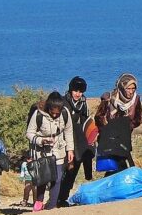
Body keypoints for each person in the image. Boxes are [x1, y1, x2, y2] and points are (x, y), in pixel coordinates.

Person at [26, 91, 74, 212]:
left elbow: (68, 131)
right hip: (42, 151)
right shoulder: (38, 114)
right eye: (53, 113)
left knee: (57, 178)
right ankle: (39, 201)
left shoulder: (65, 113)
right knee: (44, 178)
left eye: (57, 113)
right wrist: (41, 140)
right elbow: (29, 133)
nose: (55, 115)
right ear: (48, 107)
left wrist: (70, 150)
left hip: (58, 149)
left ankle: (52, 206)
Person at [94, 73, 142, 176]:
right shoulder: (108, 99)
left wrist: (126, 126)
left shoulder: (136, 100)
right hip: (109, 139)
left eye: (133, 88)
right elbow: (98, 117)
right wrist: (108, 128)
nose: (131, 91)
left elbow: (137, 119)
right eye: (128, 88)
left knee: (120, 165)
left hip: (124, 139)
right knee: (115, 165)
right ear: (122, 87)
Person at [57, 76, 94, 207]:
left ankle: (63, 198)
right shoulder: (62, 102)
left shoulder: (83, 103)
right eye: (76, 90)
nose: (78, 94)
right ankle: (55, 197)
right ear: (71, 90)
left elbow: (85, 121)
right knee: (62, 171)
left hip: (77, 141)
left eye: (81, 91)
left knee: (73, 170)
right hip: (63, 141)